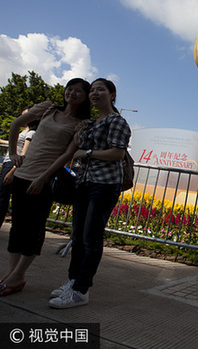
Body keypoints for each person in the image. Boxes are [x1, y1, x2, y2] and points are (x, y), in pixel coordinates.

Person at [0, 78, 91, 296]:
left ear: (85, 97)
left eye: (79, 91)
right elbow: (15, 124)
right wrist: (13, 154)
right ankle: (11, 275)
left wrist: (43, 177)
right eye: (70, 89)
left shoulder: (81, 123)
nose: (72, 93)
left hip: (45, 179)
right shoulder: (48, 108)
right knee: (18, 226)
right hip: (22, 173)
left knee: (34, 227)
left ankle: (19, 274)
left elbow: (68, 154)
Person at [49, 78, 131, 309]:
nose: (95, 93)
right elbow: (77, 147)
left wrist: (88, 153)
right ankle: (73, 281)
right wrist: (79, 136)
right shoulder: (92, 122)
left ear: (112, 94)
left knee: (91, 238)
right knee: (78, 236)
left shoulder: (117, 121)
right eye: (92, 90)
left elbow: (116, 153)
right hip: (84, 182)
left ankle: (81, 290)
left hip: (104, 184)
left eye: (101, 90)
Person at [0, 107, 39, 228]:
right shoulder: (26, 130)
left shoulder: (31, 133)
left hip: (12, 165)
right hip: (9, 163)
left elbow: (24, 154)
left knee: (2, 197)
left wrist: (13, 171)